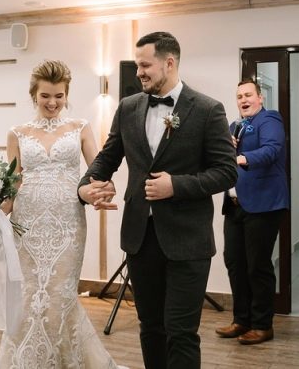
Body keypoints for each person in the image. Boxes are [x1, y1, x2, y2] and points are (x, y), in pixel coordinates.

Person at [78, 31, 237, 369]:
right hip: (140, 238)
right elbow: (107, 158)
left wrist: (175, 186)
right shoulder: (128, 107)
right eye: (138, 66)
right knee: (150, 327)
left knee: (181, 332)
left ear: (169, 63)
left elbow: (226, 172)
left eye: (145, 65)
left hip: (188, 241)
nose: (139, 73)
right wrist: (84, 188)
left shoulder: (207, 109)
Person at [0, 60, 122, 368]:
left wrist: (103, 191)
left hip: (67, 223)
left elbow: (98, 173)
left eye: (59, 96)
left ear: (67, 95)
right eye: (45, 96)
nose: (52, 103)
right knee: (29, 295)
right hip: (27, 224)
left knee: (60, 295)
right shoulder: (17, 133)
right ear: (34, 95)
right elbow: (14, 183)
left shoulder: (80, 128)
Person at [215, 79, 289, 345]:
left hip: (263, 204)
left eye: (248, 95)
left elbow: (272, 150)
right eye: (239, 97)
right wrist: (226, 149)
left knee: (257, 265)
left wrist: (241, 157)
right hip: (234, 206)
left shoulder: (270, 119)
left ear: (260, 98)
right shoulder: (234, 126)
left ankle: (262, 325)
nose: (243, 100)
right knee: (235, 263)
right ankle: (241, 320)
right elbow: (219, 157)